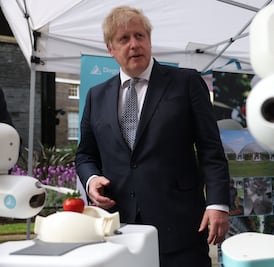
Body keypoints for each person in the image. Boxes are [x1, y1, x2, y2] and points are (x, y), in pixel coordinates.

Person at [75, 6, 230, 267]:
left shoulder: (186, 82)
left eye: (140, 36)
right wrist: (91, 179)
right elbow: (85, 154)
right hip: (118, 229)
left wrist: (217, 204)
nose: (134, 44)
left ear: (149, 40)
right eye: (124, 39)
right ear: (110, 48)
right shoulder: (96, 96)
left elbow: (210, 150)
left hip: (179, 227)